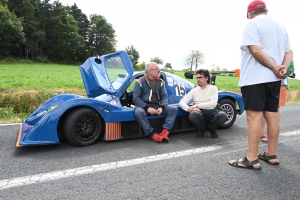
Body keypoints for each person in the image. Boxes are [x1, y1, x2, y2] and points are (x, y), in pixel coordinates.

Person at [228, 0, 293, 170]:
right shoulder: (280, 26)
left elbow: (255, 50)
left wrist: (273, 66)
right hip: (274, 80)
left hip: (255, 78)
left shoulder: (252, 24)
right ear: (266, 10)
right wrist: (282, 67)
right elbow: (289, 52)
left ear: (249, 14)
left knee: (254, 117)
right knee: (272, 115)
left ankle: (252, 158)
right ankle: (271, 154)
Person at [133, 62, 178, 143]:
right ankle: (151, 133)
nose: (159, 70)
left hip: (157, 105)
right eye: (157, 68)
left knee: (173, 110)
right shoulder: (139, 82)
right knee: (138, 112)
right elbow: (136, 98)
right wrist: (147, 107)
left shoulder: (160, 82)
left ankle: (165, 132)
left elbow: (164, 96)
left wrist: (162, 107)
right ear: (150, 71)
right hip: (143, 106)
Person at [179, 69, 227, 138]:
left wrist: (197, 105)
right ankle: (202, 129)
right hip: (200, 112)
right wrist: (189, 109)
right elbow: (182, 102)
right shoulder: (194, 90)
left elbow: (213, 104)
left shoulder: (213, 88)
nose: (198, 79)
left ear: (207, 78)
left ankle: (212, 129)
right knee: (193, 114)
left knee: (223, 115)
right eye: (197, 77)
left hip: (213, 110)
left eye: (200, 77)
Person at [260, 76, 290, 142]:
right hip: (274, 85)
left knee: (274, 112)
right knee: (266, 111)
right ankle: (261, 133)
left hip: (279, 86)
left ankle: (272, 137)